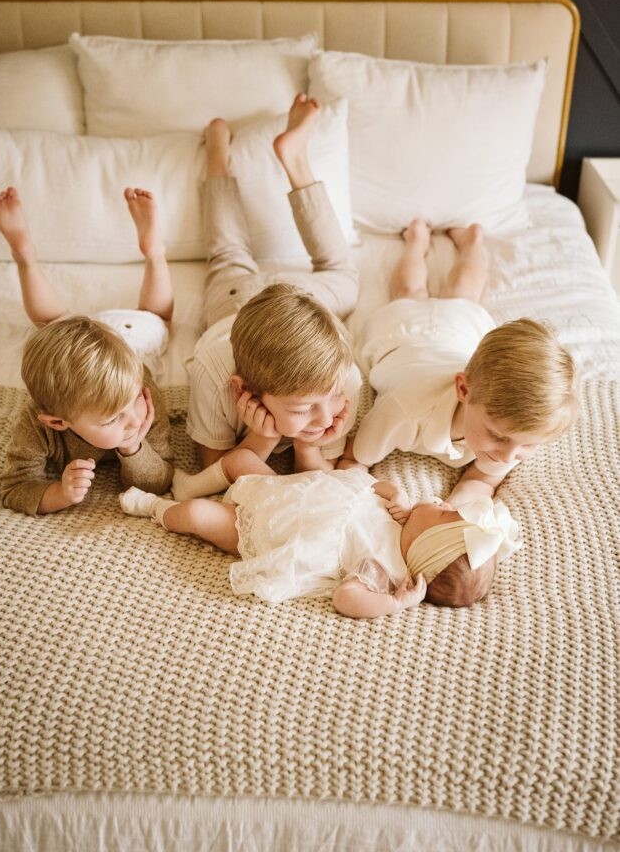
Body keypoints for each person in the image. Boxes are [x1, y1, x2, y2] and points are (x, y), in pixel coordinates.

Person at [174, 94, 361, 501]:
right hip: (234, 305)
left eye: (329, 398)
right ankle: (225, 159)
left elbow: (318, 472)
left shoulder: (343, 377)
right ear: (246, 389)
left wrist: (307, 443)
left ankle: (279, 159)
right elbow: (214, 470)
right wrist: (261, 438)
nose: (327, 416)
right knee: (333, 271)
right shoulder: (213, 373)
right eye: (302, 408)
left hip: (301, 300)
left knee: (235, 257)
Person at [338, 219, 579, 506]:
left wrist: (453, 514)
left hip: (456, 334)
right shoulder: (402, 413)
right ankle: (416, 242)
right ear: (464, 390)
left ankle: (472, 242)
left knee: (464, 293)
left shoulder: (514, 433)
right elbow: (352, 461)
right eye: (497, 436)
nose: (508, 457)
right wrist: (385, 497)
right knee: (408, 291)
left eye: (528, 445)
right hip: (404, 337)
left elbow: (482, 479)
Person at [0, 185, 174, 515]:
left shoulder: (142, 395)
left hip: (131, 345)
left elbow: (159, 482)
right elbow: (14, 486)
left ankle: (155, 252)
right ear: (58, 422)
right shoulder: (37, 426)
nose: (133, 419)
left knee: (156, 320)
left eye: (129, 404)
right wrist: (58, 493)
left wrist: (133, 448)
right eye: (113, 419)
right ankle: (24, 254)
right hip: (83, 343)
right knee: (51, 325)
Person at [119, 470, 522, 616]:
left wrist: (395, 602)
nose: (442, 502)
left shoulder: (383, 566)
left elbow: (346, 598)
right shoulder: (400, 510)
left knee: (196, 516)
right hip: (285, 491)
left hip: (265, 532)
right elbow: (366, 481)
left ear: (424, 545)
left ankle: (155, 507)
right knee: (240, 462)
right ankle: (192, 481)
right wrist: (393, 493)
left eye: (446, 514)